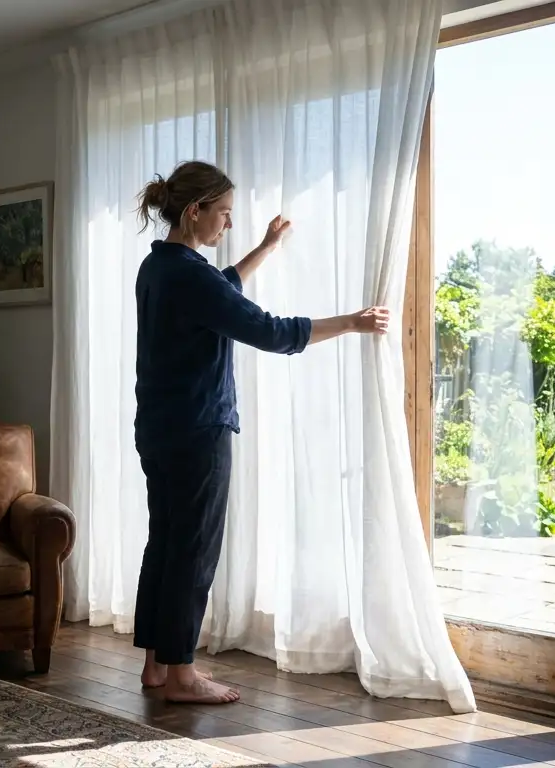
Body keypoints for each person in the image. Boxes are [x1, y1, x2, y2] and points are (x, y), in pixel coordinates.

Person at [132, 160, 390, 704]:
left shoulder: (158, 267)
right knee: (194, 550)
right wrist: (350, 322)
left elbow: (220, 287)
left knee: (167, 543)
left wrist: (267, 248)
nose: (227, 225)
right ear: (195, 211)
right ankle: (182, 675)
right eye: (223, 214)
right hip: (198, 428)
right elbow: (269, 332)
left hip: (158, 427)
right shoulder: (188, 275)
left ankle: (156, 666)